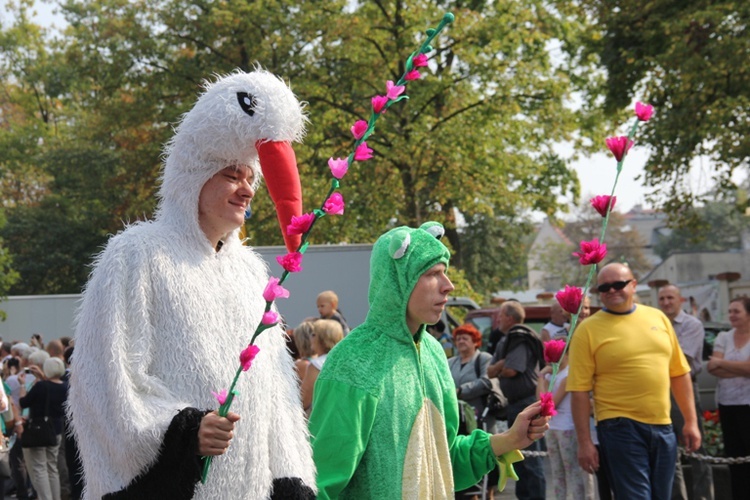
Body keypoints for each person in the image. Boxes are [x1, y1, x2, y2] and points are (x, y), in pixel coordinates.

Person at [67, 70, 316, 499]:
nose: (247, 190)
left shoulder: (253, 274)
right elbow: (105, 384)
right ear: (196, 175)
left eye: (252, 179)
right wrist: (185, 431)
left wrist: (291, 481)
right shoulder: (137, 255)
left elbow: (278, 399)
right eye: (233, 175)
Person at [309, 222, 550, 499]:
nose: (448, 286)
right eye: (434, 273)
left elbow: (443, 460)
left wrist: (510, 439)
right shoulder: (353, 360)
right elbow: (321, 481)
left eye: (445, 272)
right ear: (399, 279)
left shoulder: (434, 353)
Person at [568, 263, 701, 499]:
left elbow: (679, 373)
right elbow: (578, 390)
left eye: (618, 284)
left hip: (662, 424)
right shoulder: (587, 330)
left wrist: (690, 421)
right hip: (619, 426)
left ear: (633, 285)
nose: (611, 291)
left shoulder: (658, 318)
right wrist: (585, 442)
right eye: (604, 287)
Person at [658, 284, 714, 500]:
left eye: (670, 297)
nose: (666, 303)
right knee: (668, 451)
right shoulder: (655, 324)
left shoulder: (692, 324)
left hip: (685, 388)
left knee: (697, 450)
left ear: (680, 300)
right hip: (660, 391)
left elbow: (683, 361)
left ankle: (704, 497)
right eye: (662, 299)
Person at [486, 300, 547, 500]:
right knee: (518, 458)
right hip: (514, 405)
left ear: (510, 318)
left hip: (526, 403)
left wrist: (501, 366)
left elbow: (512, 370)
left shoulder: (519, 338)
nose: (497, 320)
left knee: (531, 461)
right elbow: (489, 370)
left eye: (501, 316)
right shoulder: (505, 341)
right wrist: (502, 364)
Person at [707, 296, 750, 499]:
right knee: (734, 455)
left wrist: (722, 363)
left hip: (748, 404)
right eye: (730, 311)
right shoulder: (723, 337)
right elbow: (712, 368)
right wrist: (741, 368)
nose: (731, 315)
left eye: (736, 311)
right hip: (727, 403)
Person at [537, 346, 588, 499]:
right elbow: (539, 402)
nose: (555, 358)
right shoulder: (549, 375)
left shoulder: (568, 374)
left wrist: (544, 381)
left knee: (572, 470)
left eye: (559, 354)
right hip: (552, 428)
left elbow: (552, 403)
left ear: (567, 355)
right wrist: (541, 377)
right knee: (557, 472)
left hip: (566, 427)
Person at [18, 357, 68, 500]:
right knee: (52, 467)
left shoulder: (41, 386)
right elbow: (50, 386)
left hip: (39, 429)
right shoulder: (65, 386)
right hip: (56, 429)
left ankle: (46, 498)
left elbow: (23, 402)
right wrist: (42, 377)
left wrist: (22, 386)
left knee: (40, 467)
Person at [300, 319, 343, 416]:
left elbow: (303, 400)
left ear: (323, 338)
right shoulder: (343, 362)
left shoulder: (316, 365)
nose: (310, 337)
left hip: (319, 421)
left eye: (314, 334)